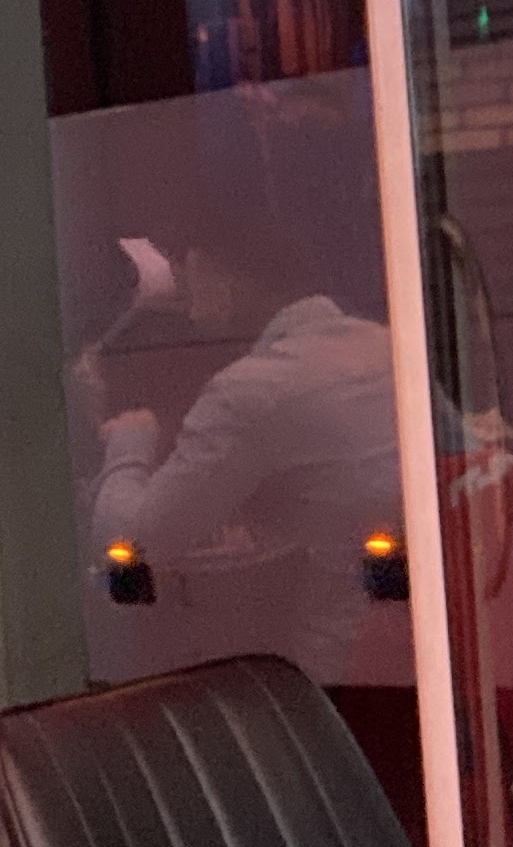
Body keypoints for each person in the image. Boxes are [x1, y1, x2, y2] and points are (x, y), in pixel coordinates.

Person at [89, 193, 403, 686]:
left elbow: (133, 545)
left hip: (339, 672)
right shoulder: (382, 344)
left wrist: (130, 441)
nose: (188, 305)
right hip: (415, 639)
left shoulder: (255, 390)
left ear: (219, 274)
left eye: (188, 275)